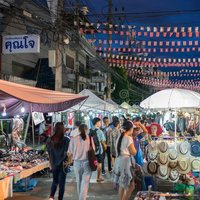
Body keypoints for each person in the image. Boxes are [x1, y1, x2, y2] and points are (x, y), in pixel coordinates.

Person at [68, 124, 95, 200]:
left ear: (78, 130)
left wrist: (69, 161)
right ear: (86, 129)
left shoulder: (73, 139)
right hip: (87, 163)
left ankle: (81, 198)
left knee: (79, 182)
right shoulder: (90, 138)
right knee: (85, 184)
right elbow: (93, 150)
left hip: (76, 163)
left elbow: (69, 152)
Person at [112, 120, 137, 200]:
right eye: (133, 128)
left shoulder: (119, 137)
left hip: (118, 161)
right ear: (130, 129)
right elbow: (133, 152)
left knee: (122, 185)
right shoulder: (129, 138)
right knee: (131, 186)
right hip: (126, 163)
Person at [46, 122, 70, 200]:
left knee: (55, 181)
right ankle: (60, 198)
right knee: (62, 184)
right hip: (64, 164)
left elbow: (49, 153)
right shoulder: (66, 140)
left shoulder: (50, 139)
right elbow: (67, 152)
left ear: (55, 128)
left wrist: (50, 162)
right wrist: (69, 161)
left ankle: (51, 197)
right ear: (63, 129)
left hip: (54, 163)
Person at [89, 117, 106, 182]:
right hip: (99, 150)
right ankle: (98, 177)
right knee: (99, 163)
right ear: (97, 122)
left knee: (91, 163)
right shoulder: (99, 131)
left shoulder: (89, 130)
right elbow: (103, 141)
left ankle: (88, 178)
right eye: (99, 122)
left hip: (91, 151)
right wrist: (105, 147)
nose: (100, 123)